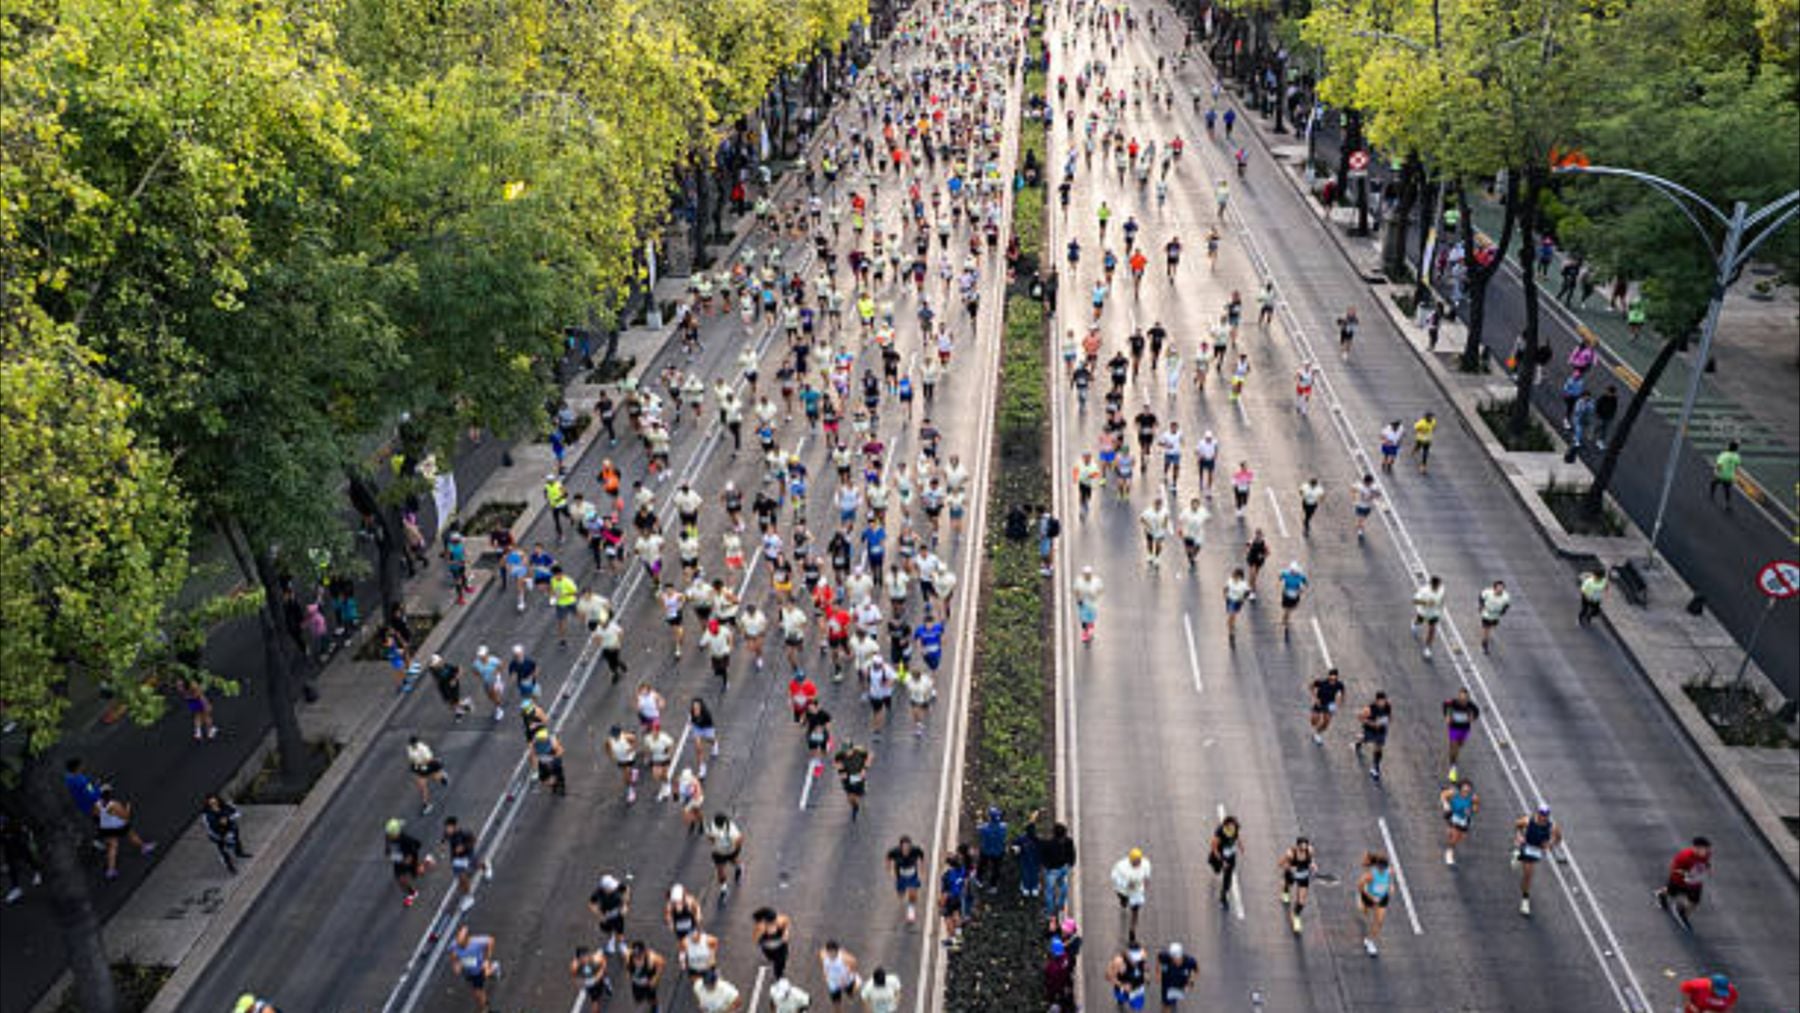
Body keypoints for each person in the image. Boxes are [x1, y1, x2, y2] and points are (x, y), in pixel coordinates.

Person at [94, 785, 154, 880]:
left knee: (113, 847)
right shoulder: (114, 804)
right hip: (118, 826)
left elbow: (97, 816)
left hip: (105, 828)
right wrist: (128, 808)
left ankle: (111, 870)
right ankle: (144, 847)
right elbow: (125, 816)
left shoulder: (97, 804)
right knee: (131, 835)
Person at [1513, 804, 1563, 915]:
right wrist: (1518, 836)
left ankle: (1517, 855)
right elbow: (1517, 824)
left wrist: (1550, 844)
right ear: (1537, 813)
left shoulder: (1552, 826)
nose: (1543, 817)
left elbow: (1559, 838)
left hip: (1537, 850)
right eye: (1541, 814)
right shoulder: (1528, 820)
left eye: (1545, 815)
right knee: (1528, 874)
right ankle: (1525, 900)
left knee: (1527, 872)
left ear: (1548, 815)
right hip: (1527, 845)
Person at [1656, 836, 1713, 930]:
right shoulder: (1684, 856)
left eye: (1707, 849)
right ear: (1696, 848)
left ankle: (1682, 913)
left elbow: (1706, 863)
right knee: (1671, 893)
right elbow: (1675, 870)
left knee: (1694, 901)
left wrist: (1707, 869)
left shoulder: (1707, 854)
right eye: (1704, 849)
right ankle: (1661, 894)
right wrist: (1687, 875)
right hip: (1679, 880)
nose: (1706, 851)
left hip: (1695, 883)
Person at [447, 925, 500, 1012]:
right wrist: (456, 964)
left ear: (467, 939)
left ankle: (485, 1009)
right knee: (477, 984)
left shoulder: (476, 942)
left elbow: (491, 940)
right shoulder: (454, 944)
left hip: (478, 969)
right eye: (458, 942)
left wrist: (486, 960)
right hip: (468, 969)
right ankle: (493, 968)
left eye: (461, 943)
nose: (459, 945)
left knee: (478, 992)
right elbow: (453, 954)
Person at [385, 817, 431, 906]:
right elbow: (388, 849)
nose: (388, 835)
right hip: (398, 861)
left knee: (418, 873)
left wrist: (410, 860)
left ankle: (426, 862)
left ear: (396, 832)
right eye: (388, 833)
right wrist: (390, 854)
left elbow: (415, 849)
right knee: (401, 880)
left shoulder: (405, 839)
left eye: (390, 833)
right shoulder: (388, 837)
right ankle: (412, 893)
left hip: (409, 858)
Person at [200, 794, 251, 874]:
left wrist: (228, 818)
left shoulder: (225, 806)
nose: (214, 804)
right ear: (208, 804)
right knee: (224, 851)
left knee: (236, 841)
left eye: (215, 802)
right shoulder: (207, 815)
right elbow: (209, 828)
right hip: (219, 835)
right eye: (212, 803)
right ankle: (230, 867)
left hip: (231, 829)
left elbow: (237, 813)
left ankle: (239, 853)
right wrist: (220, 835)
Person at [1356, 852, 1393, 956]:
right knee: (1364, 913)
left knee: (1379, 921)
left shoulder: (1389, 871)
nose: (1383, 871)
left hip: (1382, 898)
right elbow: (1360, 886)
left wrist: (1390, 886)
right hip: (1369, 897)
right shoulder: (1370, 875)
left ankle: (1370, 941)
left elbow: (1389, 880)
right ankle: (1360, 901)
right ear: (1377, 867)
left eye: (1384, 869)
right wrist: (1370, 897)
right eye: (1381, 869)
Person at [1277, 836, 1316, 934]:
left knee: (1302, 900)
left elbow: (1311, 860)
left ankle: (1296, 916)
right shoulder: (1290, 853)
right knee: (1288, 886)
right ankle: (1285, 892)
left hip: (1303, 877)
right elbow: (1280, 863)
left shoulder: (1310, 851)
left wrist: (1313, 865)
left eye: (1305, 846)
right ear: (1297, 846)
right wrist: (1287, 867)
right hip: (1292, 875)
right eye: (1302, 847)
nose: (1304, 849)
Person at [1442, 687, 1481, 780]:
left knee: (1460, 745)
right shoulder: (1452, 702)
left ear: (1468, 698)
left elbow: (1477, 712)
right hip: (1454, 728)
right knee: (1454, 747)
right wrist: (1446, 715)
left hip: (1465, 729)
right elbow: (1444, 704)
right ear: (1458, 697)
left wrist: (1473, 718)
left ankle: (1453, 757)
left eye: (1465, 699)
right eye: (1461, 699)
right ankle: (1453, 767)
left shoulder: (1471, 705)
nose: (1463, 701)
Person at [1110, 847, 1151, 936]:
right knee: (1123, 900)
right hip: (1123, 890)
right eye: (1135, 861)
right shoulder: (1121, 867)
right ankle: (1123, 902)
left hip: (1136, 892)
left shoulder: (1145, 864)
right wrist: (1126, 884)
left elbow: (1147, 875)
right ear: (1131, 860)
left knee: (1135, 910)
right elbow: (1114, 877)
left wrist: (1146, 882)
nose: (1137, 863)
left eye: (1139, 860)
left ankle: (1132, 930)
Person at [589, 873, 631, 955]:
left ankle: (621, 945)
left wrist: (625, 905)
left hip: (618, 913)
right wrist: (600, 915)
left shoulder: (617, 886)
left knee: (620, 930)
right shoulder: (598, 893)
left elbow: (626, 889)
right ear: (605, 888)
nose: (614, 888)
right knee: (608, 930)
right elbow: (591, 904)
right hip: (606, 914)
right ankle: (611, 941)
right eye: (611, 887)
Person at [1355, 691, 1393, 783]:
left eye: (1384, 701)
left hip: (1381, 730)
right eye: (1380, 701)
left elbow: (1389, 716)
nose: (1382, 703)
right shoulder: (1369, 709)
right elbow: (1360, 717)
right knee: (1366, 739)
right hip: (1370, 730)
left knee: (1379, 748)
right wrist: (1372, 724)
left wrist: (1388, 722)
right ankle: (1359, 742)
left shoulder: (1388, 706)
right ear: (1376, 701)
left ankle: (1375, 767)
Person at [707, 813, 745, 902]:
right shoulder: (712, 826)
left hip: (730, 851)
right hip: (718, 852)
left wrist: (733, 847)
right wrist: (715, 843)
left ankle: (739, 867)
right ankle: (723, 888)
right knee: (720, 869)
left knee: (733, 861)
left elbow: (740, 839)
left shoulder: (731, 829)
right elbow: (710, 837)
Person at [1441, 780, 1480, 865]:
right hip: (1453, 815)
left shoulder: (1473, 798)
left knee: (1460, 837)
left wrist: (1471, 810)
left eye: (1468, 790)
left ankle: (1451, 841)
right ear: (1461, 788)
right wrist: (1446, 805)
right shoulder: (1454, 793)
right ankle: (1449, 852)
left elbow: (1476, 808)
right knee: (1454, 836)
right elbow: (1443, 795)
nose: (1466, 791)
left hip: (1464, 819)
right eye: (1465, 789)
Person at [1041, 822, 1076, 916]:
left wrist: (1046, 867)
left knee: (1049, 891)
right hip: (1063, 868)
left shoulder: (1048, 844)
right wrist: (1070, 864)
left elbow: (1043, 857)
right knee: (1063, 886)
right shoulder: (1069, 841)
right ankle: (1060, 905)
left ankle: (1050, 911)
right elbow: (1072, 853)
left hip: (1052, 871)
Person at [1106, 939, 1151, 1011]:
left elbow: (1145, 965)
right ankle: (1120, 1002)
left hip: (1137, 989)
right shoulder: (1118, 961)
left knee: (1136, 1008)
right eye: (1133, 958)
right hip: (1123, 988)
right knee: (1122, 999)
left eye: (1138, 957)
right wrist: (1122, 985)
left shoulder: (1142, 954)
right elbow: (1108, 976)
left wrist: (1146, 974)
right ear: (1127, 953)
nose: (1135, 961)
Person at [1208, 816, 1241, 910]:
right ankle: (1216, 868)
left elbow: (1237, 836)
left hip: (1230, 857)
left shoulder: (1235, 829)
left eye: (1235, 826)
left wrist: (1240, 845)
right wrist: (1222, 861)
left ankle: (1223, 897)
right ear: (1226, 825)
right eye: (1232, 826)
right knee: (1217, 869)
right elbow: (1214, 847)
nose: (1234, 828)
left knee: (1228, 879)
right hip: (1220, 856)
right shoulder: (1219, 832)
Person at [624, 941, 667, 1012]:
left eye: (640, 956)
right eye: (635, 956)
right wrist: (628, 972)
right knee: (638, 998)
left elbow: (662, 963)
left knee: (651, 998)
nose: (637, 959)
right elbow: (627, 965)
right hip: (636, 983)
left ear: (644, 952)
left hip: (648, 983)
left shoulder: (652, 958)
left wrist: (655, 978)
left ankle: (656, 1007)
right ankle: (643, 999)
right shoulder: (628, 955)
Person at [819, 939, 861, 1010]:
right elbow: (824, 964)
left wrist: (846, 976)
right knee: (836, 1003)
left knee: (851, 992)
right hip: (833, 983)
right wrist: (825, 974)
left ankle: (856, 983)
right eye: (829, 952)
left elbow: (854, 963)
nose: (831, 955)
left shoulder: (844, 958)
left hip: (846, 981)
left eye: (833, 952)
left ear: (837, 951)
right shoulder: (823, 955)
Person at [1411, 575, 1446, 659]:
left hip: (1434, 614)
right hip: (1423, 612)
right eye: (1437, 585)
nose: (1439, 586)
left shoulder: (1442, 589)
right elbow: (1415, 601)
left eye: (1439, 584)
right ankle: (1414, 625)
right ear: (1432, 584)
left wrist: (1441, 610)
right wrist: (1426, 603)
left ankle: (1427, 648)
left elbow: (1442, 600)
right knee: (1418, 622)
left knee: (1432, 630)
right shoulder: (1424, 591)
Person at [1308, 667, 1345, 744]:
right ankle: (1316, 727)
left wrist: (1339, 703)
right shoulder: (1321, 682)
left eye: (1335, 676)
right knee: (1314, 721)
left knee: (1326, 723)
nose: (1333, 678)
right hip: (1320, 703)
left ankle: (1317, 733)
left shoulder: (1339, 684)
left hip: (1329, 704)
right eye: (1331, 675)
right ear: (1328, 676)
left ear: (1337, 676)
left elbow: (1342, 693)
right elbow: (1311, 686)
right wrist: (1315, 698)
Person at [1157, 941, 1197, 1009]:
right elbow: (1159, 958)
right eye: (1172, 958)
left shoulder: (1189, 961)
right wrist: (1158, 973)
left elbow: (1196, 970)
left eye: (1176, 959)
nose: (1174, 961)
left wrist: (1191, 981)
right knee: (1166, 1005)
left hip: (1180, 983)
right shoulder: (1165, 957)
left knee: (1173, 1001)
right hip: (1167, 982)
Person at [1477, 580, 1511, 654]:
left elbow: (1507, 605)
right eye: (1499, 588)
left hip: (1495, 615)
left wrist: (1503, 611)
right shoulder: (1488, 592)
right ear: (1494, 588)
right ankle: (1484, 645)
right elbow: (1481, 596)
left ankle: (1486, 636)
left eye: (1502, 588)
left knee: (1491, 627)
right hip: (1487, 613)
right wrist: (1481, 606)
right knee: (1486, 629)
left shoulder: (1506, 596)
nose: (1500, 590)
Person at [1708, 441, 1741, 511]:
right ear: (1736, 449)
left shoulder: (1723, 454)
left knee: (1713, 483)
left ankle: (1711, 494)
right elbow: (1737, 465)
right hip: (1729, 476)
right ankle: (1727, 504)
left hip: (1721, 474)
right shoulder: (1737, 456)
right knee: (1727, 490)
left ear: (1729, 447)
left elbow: (1719, 465)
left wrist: (1716, 471)